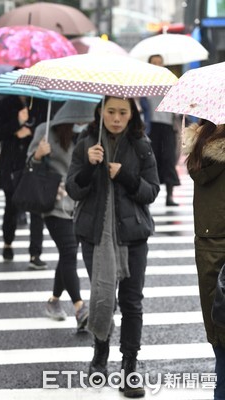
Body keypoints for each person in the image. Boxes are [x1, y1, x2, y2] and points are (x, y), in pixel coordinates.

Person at [66, 96, 159, 398]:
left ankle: (129, 367)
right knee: (102, 297)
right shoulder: (86, 141)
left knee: (132, 302)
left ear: (132, 115)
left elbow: (151, 191)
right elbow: (73, 188)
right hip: (95, 235)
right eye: (111, 112)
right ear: (101, 112)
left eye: (122, 112)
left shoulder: (141, 144)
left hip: (132, 235)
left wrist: (124, 175)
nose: (116, 118)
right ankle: (100, 357)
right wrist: (90, 167)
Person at [28, 100, 96, 330]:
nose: (81, 124)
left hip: (80, 203)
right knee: (68, 250)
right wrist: (38, 154)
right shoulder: (45, 130)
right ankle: (79, 307)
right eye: (78, 119)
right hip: (54, 202)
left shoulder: (90, 134)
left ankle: (54, 300)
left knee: (67, 254)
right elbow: (29, 163)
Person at [182, 119, 225, 400]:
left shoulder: (201, 149)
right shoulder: (206, 151)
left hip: (210, 243)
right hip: (213, 245)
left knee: (220, 333)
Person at [0, 95, 47, 269]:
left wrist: (31, 133)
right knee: (11, 206)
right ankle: (8, 243)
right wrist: (17, 123)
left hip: (35, 159)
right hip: (11, 161)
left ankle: (35, 253)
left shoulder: (42, 100)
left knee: (37, 208)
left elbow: (48, 128)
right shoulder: (6, 102)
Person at [140, 54, 181, 206]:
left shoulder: (171, 83)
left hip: (168, 127)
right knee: (152, 161)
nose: (157, 65)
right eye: (154, 63)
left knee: (169, 160)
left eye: (160, 62)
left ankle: (169, 197)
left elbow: (178, 104)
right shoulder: (143, 83)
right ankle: (148, 195)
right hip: (151, 127)